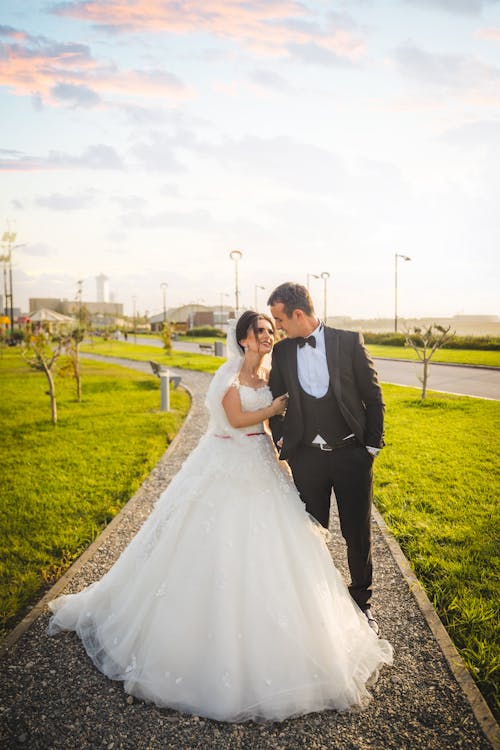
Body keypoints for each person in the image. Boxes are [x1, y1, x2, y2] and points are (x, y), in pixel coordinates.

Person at [48, 311, 392, 723]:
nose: (268, 335)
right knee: (213, 539)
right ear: (243, 338)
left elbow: (279, 423)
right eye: (260, 330)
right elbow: (234, 419)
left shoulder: (270, 371)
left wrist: (285, 445)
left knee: (283, 544)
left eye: (270, 328)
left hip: (262, 461)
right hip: (228, 461)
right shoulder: (230, 375)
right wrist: (276, 408)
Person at [267, 283, 385, 635]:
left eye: (279, 319)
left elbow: (373, 395)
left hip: (352, 455)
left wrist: (371, 447)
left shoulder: (349, 341)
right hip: (308, 459)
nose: (278, 327)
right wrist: (282, 437)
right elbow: (276, 398)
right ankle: (315, 605)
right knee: (311, 534)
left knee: (357, 533)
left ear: (298, 313)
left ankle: (362, 603)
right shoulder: (284, 352)